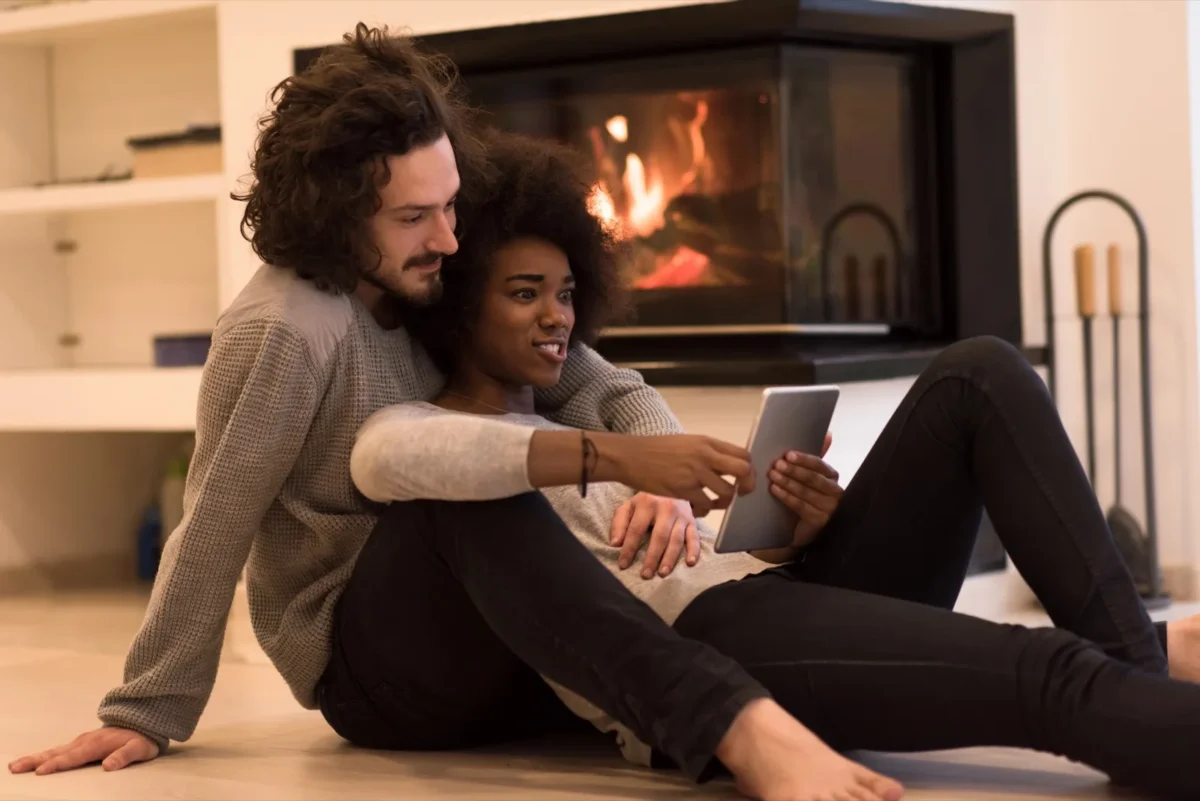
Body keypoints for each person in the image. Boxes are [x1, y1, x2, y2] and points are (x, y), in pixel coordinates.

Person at [7, 25, 841, 800]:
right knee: (455, 487)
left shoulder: (430, 280)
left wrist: (661, 478)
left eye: (449, 205)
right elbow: (214, 519)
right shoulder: (284, 333)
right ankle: (723, 719)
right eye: (415, 216)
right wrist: (145, 709)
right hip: (380, 668)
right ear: (336, 215)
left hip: (497, 624)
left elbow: (603, 386)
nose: (447, 237)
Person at [350, 129, 1200, 801]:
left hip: (766, 597)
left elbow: (678, 519)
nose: (557, 318)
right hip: (715, 650)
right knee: (1044, 673)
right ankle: (1145, 710)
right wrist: (626, 463)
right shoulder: (432, 442)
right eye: (525, 292)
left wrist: (792, 535)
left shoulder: (581, 401)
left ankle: (1143, 687)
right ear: (461, 310)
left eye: (567, 292)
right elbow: (385, 458)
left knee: (982, 370)